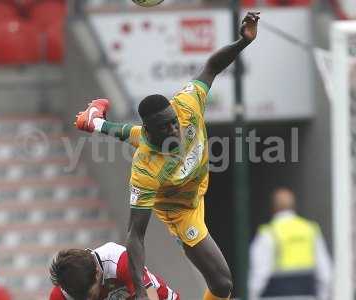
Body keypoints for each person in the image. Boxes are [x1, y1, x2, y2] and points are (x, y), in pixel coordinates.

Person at [75, 12, 260, 300]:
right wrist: (138, 289)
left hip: (192, 184)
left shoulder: (186, 105)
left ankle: (94, 121)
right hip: (180, 210)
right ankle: (96, 123)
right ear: (151, 129)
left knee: (135, 135)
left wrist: (242, 42)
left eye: (173, 121)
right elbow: (135, 234)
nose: (174, 129)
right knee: (222, 283)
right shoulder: (145, 167)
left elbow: (211, 66)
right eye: (165, 127)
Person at [248, 187, 332, 300]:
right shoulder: (310, 230)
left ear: (273, 208)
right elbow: (325, 273)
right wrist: (323, 296)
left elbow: (258, 275)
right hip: (307, 295)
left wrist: (252, 296)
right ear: (294, 206)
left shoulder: (268, 233)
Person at [49, 242, 179, 300]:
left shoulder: (119, 261)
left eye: (89, 295)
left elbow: (150, 296)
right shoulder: (62, 294)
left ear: (97, 273)